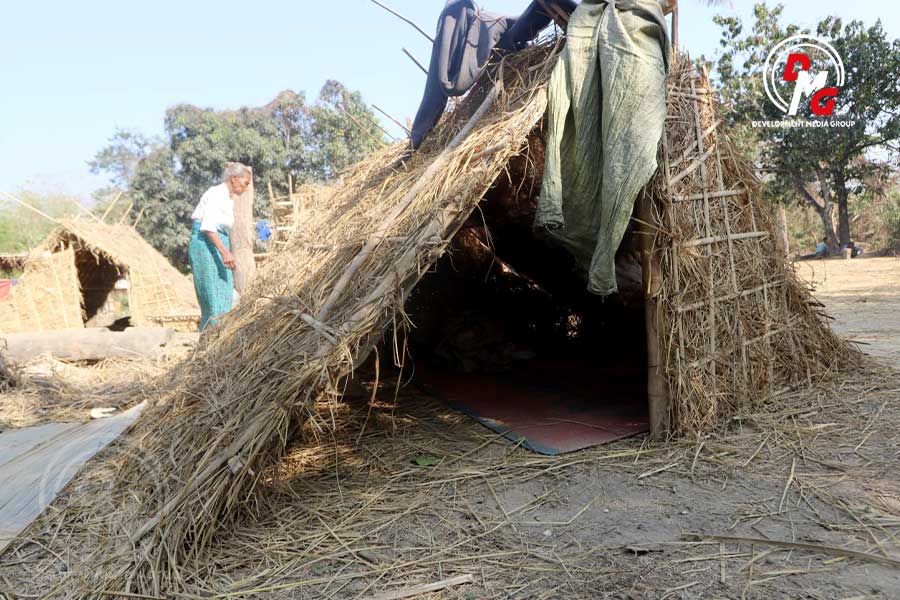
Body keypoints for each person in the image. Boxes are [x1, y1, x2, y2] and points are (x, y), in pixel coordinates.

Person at [188, 163, 252, 330]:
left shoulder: (226, 198)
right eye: (245, 183)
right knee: (213, 296)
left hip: (216, 243)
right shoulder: (217, 194)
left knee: (223, 292)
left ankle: (218, 337)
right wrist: (225, 253)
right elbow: (208, 227)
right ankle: (212, 342)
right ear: (234, 179)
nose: (246, 188)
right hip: (207, 245)